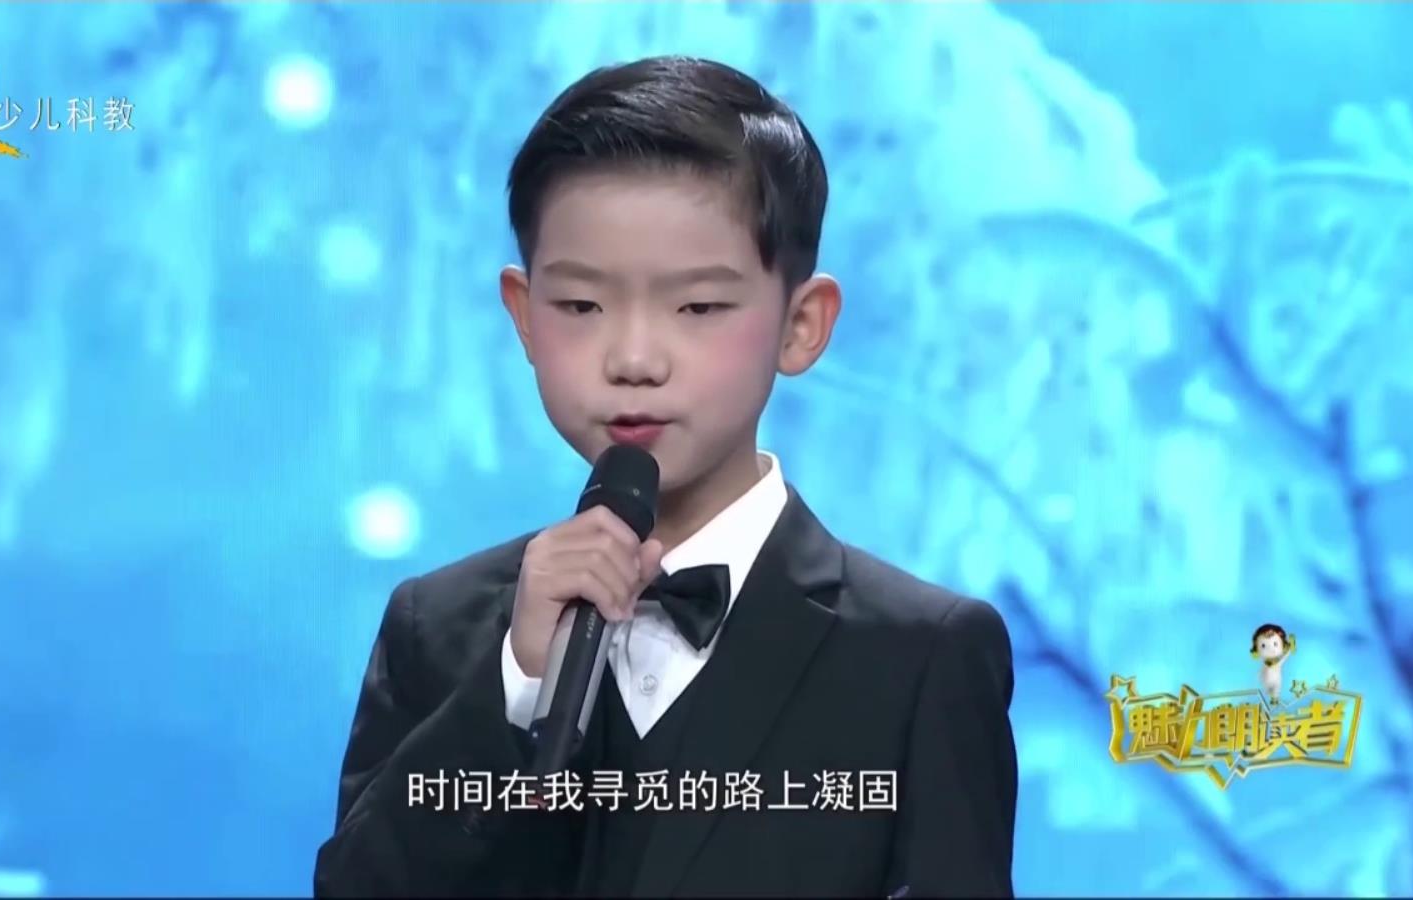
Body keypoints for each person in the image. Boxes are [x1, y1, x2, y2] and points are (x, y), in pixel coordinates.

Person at [313, 55, 1017, 898]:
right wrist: (518, 684)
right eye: (582, 306)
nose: (635, 359)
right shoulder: (436, 628)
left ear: (801, 325)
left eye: (697, 308)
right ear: (524, 316)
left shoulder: (921, 655)